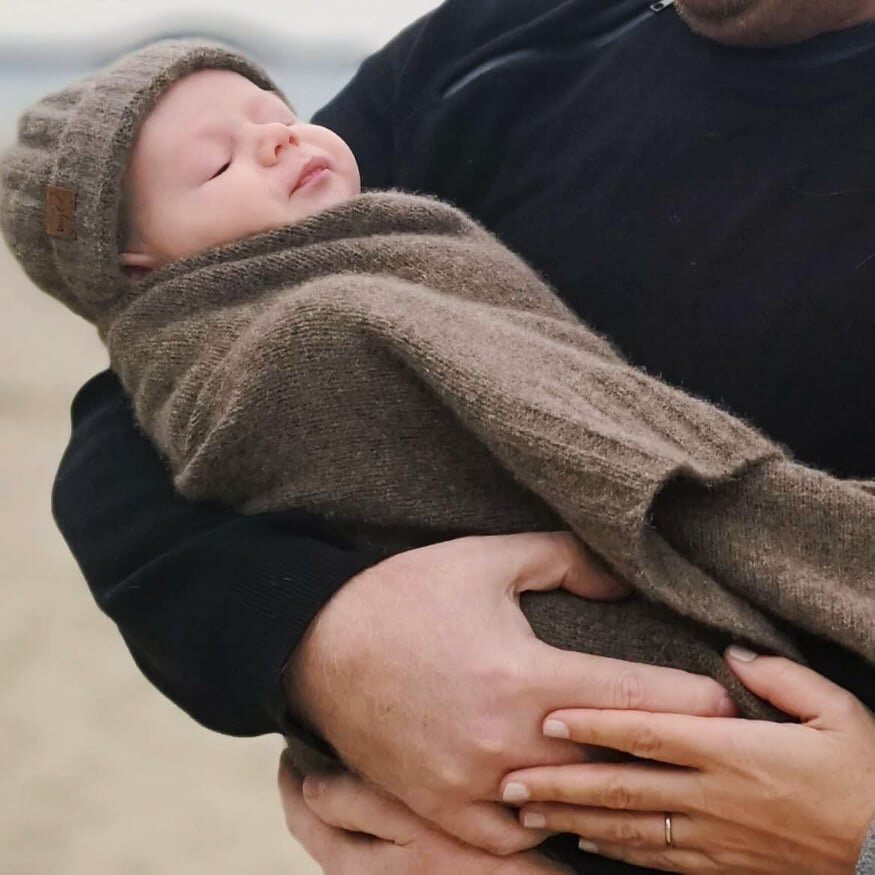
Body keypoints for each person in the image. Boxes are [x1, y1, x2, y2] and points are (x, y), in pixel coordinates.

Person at [10, 0, 875, 871]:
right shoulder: (484, 49)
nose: (278, 142)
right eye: (226, 154)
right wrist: (321, 644)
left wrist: (861, 836)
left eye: (276, 120)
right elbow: (136, 414)